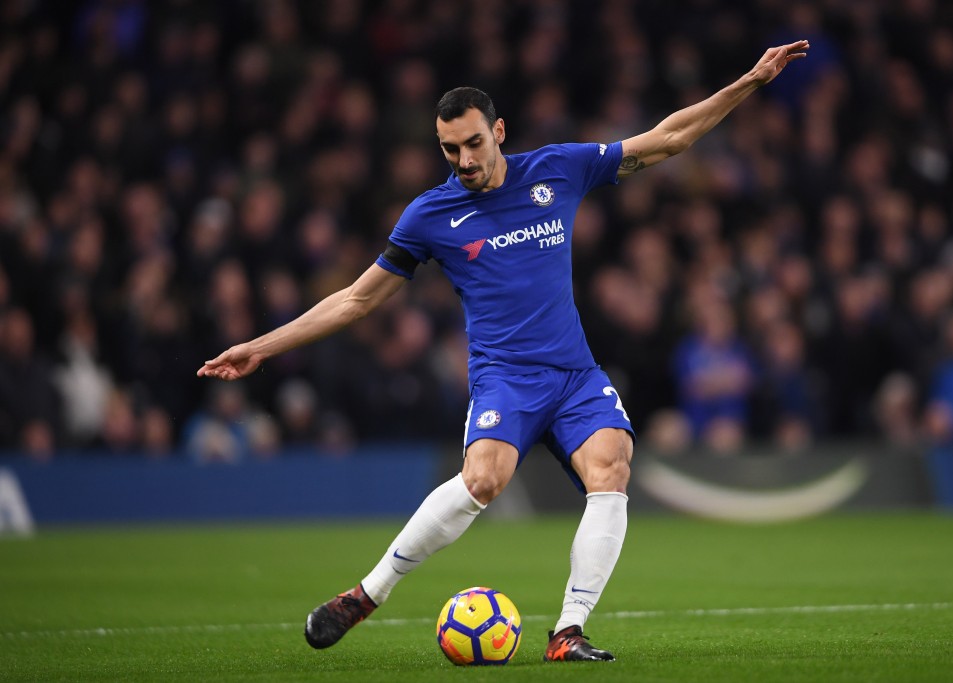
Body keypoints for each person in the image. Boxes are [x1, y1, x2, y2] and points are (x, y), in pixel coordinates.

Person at [197, 40, 809, 662]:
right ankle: (366, 594)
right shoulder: (430, 215)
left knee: (613, 464)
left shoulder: (558, 168)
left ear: (498, 131)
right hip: (505, 379)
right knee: (483, 479)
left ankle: (567, 633)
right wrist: (260, 346)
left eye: (473, 144)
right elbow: (356, 300)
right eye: (449, 149)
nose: (463, 160)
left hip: (573, 375)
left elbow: (669, 139)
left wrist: (751, 81)